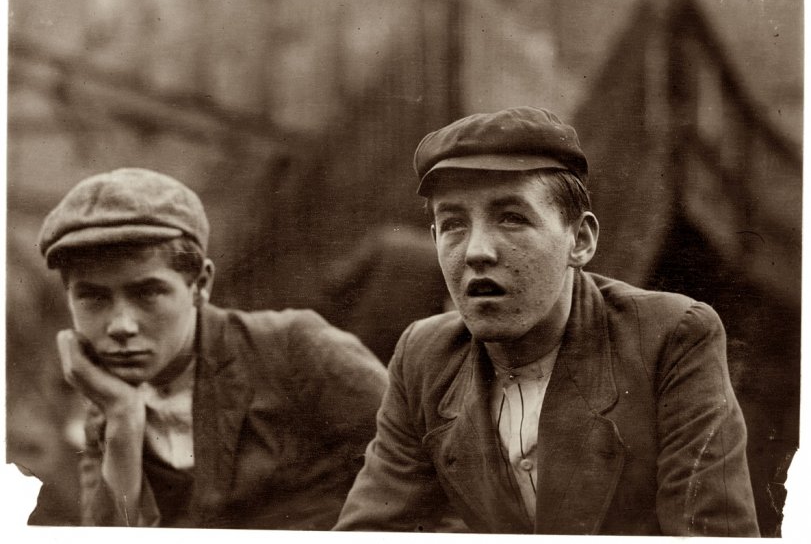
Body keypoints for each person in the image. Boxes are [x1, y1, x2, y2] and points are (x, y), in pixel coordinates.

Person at [336, 106, 760, 535]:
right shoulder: (423, 356)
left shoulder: (671, 337)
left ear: (580, 240)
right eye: (453, 225)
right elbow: (371, 529)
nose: (476, 251)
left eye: (513, 218)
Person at [34, 167, 387, 528]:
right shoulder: (106, 400)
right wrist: (122, 418)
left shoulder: (294, 347)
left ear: (200, 284)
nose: (121, 325)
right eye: (92, 298)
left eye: (148, 293)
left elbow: (423, 470)